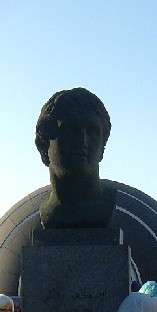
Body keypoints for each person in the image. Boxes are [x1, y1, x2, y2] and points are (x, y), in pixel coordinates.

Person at [35, 87, 117, 228]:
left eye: (92, 132)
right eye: (70, 130)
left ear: (103, 144)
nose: (82, 141)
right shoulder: (44, 210)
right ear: (44, 144)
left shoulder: (108, 206)